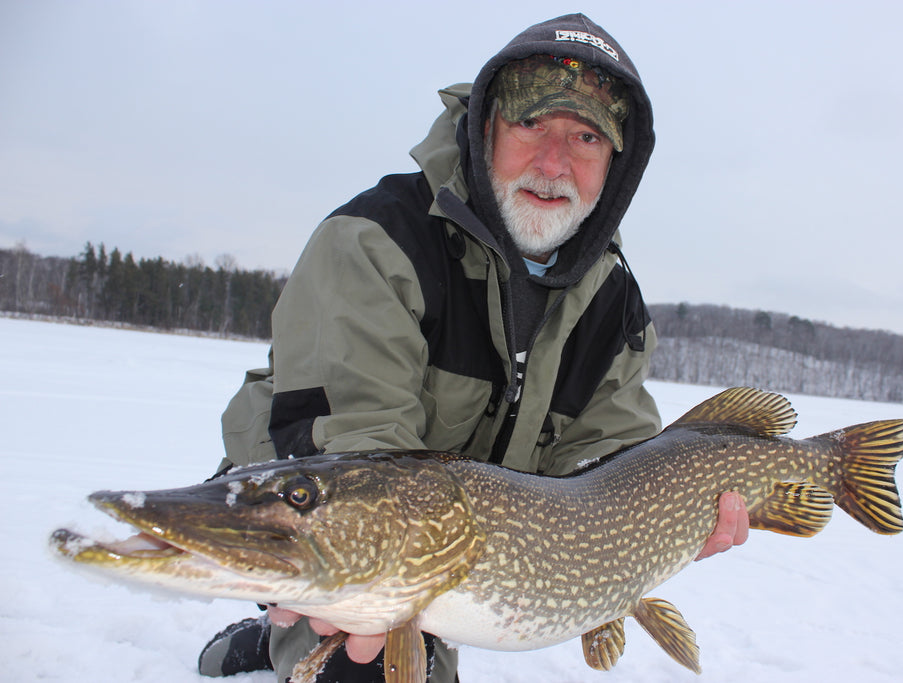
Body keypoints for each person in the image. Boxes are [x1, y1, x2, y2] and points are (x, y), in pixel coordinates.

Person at [198, 13, 749, 683]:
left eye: (585, 136)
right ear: (486, 128)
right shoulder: (379, 241)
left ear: (617, 164)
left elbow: (609, 462)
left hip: (474, 532)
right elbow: (359, 452)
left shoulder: (614, 303)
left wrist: (658, 528)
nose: (553, 163)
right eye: (530, 125)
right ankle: (280, 633)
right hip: (313, 490)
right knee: (364, 659)